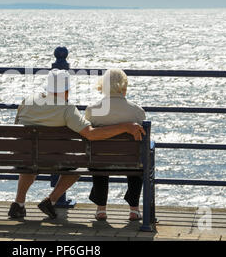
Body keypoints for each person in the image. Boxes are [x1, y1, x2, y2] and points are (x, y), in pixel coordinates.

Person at [8, 69, 145, 219]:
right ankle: (51, 200)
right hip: (53, 161)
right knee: (78, 167)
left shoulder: (27, 101)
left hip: (23, 158)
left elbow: (16, 127)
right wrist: (125, 126)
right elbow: (91, 134)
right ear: (66, 91)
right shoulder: (67, 110)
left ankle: (18, 204)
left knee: (30, 157)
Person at [85, 69, 146, 221]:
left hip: (99, 162)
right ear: (124, 86)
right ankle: (134, 209)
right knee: (138, 160)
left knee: (99, 157)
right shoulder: (137, 111)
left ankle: (101, 210)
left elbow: (88, 134)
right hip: (129, 162)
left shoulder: (92, 110)